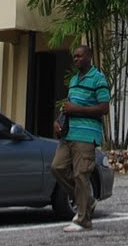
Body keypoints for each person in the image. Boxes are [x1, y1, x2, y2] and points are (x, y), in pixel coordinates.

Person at [51, 43, 109, 233]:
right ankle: (88, 201)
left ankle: (83, 220)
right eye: (74, 56)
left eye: (79, 56)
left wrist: (77, 109)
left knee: (81, 174)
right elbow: (69, 106)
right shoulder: (74, 80)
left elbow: (104, 108)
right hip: (69, 134)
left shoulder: (98, 79)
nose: (76, 59)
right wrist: (59, 121)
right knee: (58, 167)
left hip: (86, 134)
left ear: (89, 57)